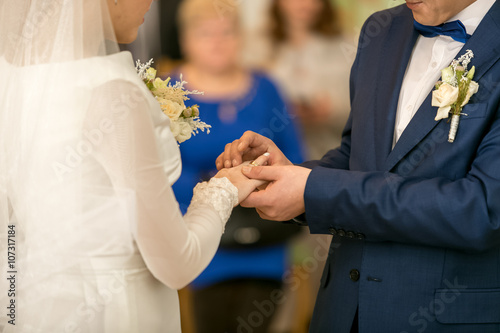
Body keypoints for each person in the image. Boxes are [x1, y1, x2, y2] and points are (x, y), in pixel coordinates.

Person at [217, 0, 500, 332]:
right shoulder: (382, 29)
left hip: (442, 317)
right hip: (343, 309)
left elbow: (480, 209)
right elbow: (357, 155)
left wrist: (313, 191)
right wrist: (287, 174)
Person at [0, 0, 267, 332]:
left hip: (37, 307)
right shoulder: (112, 92)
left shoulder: (14, 80)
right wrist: (226, 188)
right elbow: (176, 262)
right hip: (115, 312)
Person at [170, 0, 304, 332]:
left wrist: (254, 179)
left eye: (227, 32)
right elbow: (157, 171)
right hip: (203, 239)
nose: (218, 41)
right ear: (186, 39)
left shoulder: (267, 87)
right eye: (206, 33)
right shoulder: (169, 92)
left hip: (266, 242)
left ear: (241, 37)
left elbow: (295, 158)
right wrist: (220, 186)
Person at [264, 0, 351, 160]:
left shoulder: (346, 46)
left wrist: (331, 110)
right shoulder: (258, 47)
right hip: (275, 152)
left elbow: (363, 106)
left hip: (330, 153)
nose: (304, 4)